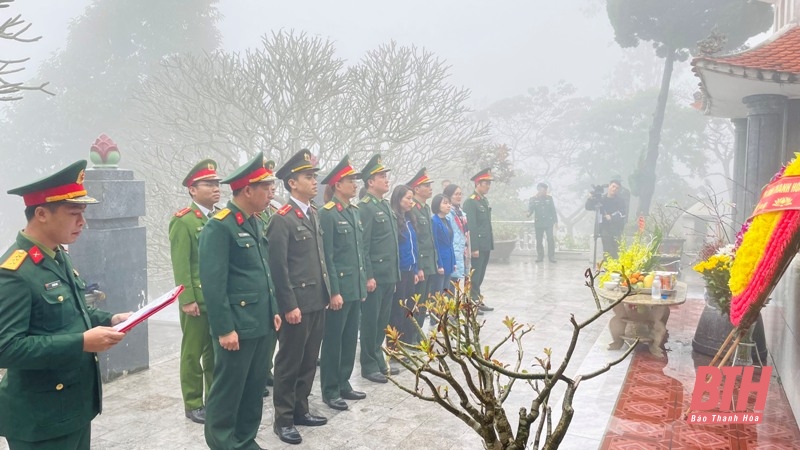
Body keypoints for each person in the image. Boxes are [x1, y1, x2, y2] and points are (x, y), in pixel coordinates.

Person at [0, 160, 131, 450]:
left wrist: (110, 320)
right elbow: (5, 348)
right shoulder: (14, 272)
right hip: (40, 419)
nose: (82, 222)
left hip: (73, 407)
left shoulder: (57, 255)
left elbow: (71, 312)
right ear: (42, 214)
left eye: (83, 213)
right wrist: (81, 342)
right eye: (74, 214)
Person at [198, 151, 281, 450]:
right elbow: (213, 284)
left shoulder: (255, 221)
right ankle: (222, 442)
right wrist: (224, 329)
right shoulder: (219, 226)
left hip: (260, 322)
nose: (271, 192)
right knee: (228, 390)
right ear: (248, 190)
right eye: (265, 187)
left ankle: (245, 439)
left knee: (254, 387)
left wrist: (273, 310)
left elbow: (262, 272)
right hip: (236, 326)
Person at [267, 149, 331, 445]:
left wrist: (327, 293)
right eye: (309, 177)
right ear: (292, 183)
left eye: (314, 176)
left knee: (308, 360)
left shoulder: (313, 213)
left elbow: (318, 259)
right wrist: (289, 305)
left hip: (317, 300)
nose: (314, 181)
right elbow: (278, 268)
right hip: (296, 305)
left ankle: (301, 409)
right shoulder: (282, 219)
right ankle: (283, 420)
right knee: (289, 362)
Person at [169, 159, 222, 424]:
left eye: (216, 183)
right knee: (192, 353)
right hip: (197, 301)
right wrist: (187, 299)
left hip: (217, 299)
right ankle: (192, 402)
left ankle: (214, 398)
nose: (215, 188)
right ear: (192, 189)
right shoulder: (185, 221)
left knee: (214, 351)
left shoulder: (218, 217)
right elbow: (181, 264)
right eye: (208, 184)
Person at [318, 156, 368, 411]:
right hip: (339, 291)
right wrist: (333, 292)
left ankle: (344, 383)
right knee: (334, 341)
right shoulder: (327, 214)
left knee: (350, 339)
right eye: (350, 181)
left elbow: (359, 252)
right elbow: (327, 257)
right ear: (338, 185)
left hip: (355, 288)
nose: (355, 185)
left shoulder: (353, 211)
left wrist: (362, 283)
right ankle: (329, 389)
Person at [357, 154, 400, 384]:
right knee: (371, 322)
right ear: (370, 182)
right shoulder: (366, 208)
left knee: (382, 322)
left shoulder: (384, 205)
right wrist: (368, 276)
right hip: (376, 276)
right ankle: (368, 364)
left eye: (386, 175)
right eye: (381, 176)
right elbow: (363, 246)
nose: (386, 179)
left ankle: (378, 358)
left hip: (389, 275)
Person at [256, 159, 278, 397]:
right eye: (266, 186)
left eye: (272, 186)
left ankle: (266, 370)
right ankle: (259, 374)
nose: (271, 191)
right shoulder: (254, 215)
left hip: (271, 283)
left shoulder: (272, 213)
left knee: (271, 333)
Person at [388, 185, 419, 347]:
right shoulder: (393, 219)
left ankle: (407, 342)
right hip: (399, 271)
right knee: (397, 310)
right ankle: (394, 345)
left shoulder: (409, 219)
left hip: (409, 270)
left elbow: (414, 246)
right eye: (408, 198)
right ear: (398, 199)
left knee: (408, 308)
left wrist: (415, 269)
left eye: (412, 198)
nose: (410, 202)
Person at [406, 168, 437, 331]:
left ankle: (418, 337)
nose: (430, 187)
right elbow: (415, 241)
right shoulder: (413, 209)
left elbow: (430, 238)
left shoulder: (425, 208)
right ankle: (411, 336)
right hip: (420, 264)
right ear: (417, 189)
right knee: (416, 302)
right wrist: (418, 267)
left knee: (424, 301)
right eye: (426, 185)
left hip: (429, 262)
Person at [462, 168, 495, 311]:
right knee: (474, 276)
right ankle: (471, 303)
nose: (488, 186)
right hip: (478, 245)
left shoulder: (483, 200)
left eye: (489, 183)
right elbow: (472, 227)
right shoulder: (471, 202)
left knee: (480, 274)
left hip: (485, 244)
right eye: (485, 183)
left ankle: (477, 300)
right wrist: (473, 247)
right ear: (477, 184)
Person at [585, 179, 628, 260]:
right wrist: (590, 198)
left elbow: (623, 214)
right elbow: (588, 207)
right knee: (607, 249)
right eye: (613, 186)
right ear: (609, 186)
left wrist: (611, 217)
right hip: (604, 228)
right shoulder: (601, 199)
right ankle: (608, 267)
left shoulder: (620, 201)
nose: (614, 189)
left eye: (617, 188)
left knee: (616, 250)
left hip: (616, 228)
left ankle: (615, 268)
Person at [430, 194, 456, 300]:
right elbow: (435, 244)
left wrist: (453, 261)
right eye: (445, 203)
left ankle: (444, 314)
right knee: (438, 292)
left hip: (448, 260)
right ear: (437, 205)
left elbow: (450, 243)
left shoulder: (448, 221)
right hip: (441, 261)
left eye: (449, 203)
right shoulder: (434, 221)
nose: (448, 206)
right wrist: (439, 264)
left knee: (446, 290)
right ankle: (436, 316)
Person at [443, 184, 469, 284]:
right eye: (456, 194)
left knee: (456, 284)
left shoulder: (461, 213)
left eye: (460, 194)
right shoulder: (448, 214)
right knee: (449, 286)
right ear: (449, 196)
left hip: (462, 251)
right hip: (453, 252)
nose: (459, 196)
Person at [527, 182, 558, 263]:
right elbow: (530, 210)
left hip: (548, 223)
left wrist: (556, 221)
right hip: (539, 223)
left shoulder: (549, 198)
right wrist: (527, 213)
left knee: (550, 239)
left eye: (545, 190)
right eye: (543, 190)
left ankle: (551, 256)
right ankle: (540, 256)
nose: (544, 191)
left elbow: (553, 210)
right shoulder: (533, 199)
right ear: (539, 190)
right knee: (539, 240)